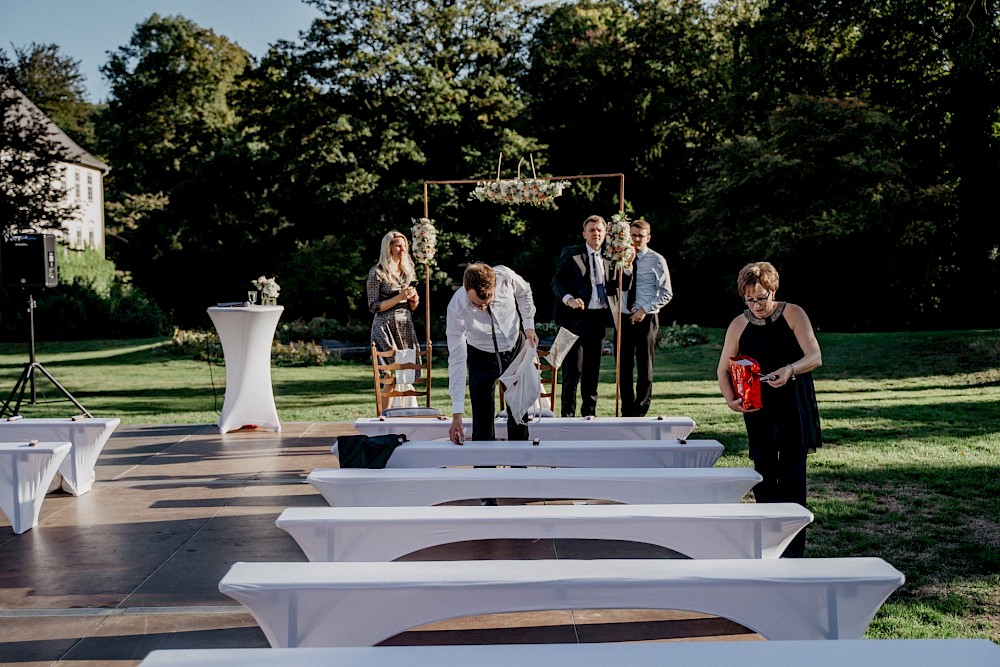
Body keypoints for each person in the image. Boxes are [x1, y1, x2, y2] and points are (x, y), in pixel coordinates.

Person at [716, 261, 822, 557]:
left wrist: (790, 369)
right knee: (763, 475)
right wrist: (729, 398)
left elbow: (815, 356)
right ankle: (768, 547)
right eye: (749, 299)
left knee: (792, 476)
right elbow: (723, 369)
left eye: (761, 297)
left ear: (773, 290)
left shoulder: (793, 314)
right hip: (757, 406)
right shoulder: (739, 323)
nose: (756, 305)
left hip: (793, 401)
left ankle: (793, 552)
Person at [447, 262, 539, 446]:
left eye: (487, 302)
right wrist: (456, 414)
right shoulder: (456, 308)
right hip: (481, 355)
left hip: (515, 349)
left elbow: (525, 292)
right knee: (482, 421)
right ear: (466, 289)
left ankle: (520, 470)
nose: (483, 309)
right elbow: (457, 359)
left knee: (519, 416)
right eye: (476, 305)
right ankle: (484, 472)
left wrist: (528, 325)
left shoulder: (505, 277)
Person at [552, 214, 631, 417]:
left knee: (592, 371)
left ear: (605, 234)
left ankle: (589, 415)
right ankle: (567, 417)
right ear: (584, 234)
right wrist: (568, 298)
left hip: (598, 320)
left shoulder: (612, 256)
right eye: (592, 230)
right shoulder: (571, 254)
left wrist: (628, 268)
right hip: (573, 319)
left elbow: (620, 286)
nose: (596, 233)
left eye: (599, 230)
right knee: (573, 371)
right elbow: (556, 282)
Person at [620, 219, 673, 417]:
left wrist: (644, 309)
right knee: (623, 367)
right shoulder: (620, 258)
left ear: (648, 238)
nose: (635, 239)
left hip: (646, 318)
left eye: (640, 236)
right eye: (632, 235)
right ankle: (627, 409)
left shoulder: (657, 260)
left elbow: (666, 293)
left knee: (645, 366)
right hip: (624, 317)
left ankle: (640, 409)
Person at [367, 230, 421, 412]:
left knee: (406, 373)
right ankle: (384, 417)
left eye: (404, 245)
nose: (402, 249)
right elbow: (373, 305)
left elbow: (412, 306)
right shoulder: (377, 272)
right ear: (388, 248)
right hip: (385, 327)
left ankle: (407, 415)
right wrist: (399, 297)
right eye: (398, 245)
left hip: (405, 326)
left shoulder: (407, 271)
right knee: (389, 375)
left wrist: (413, 299)